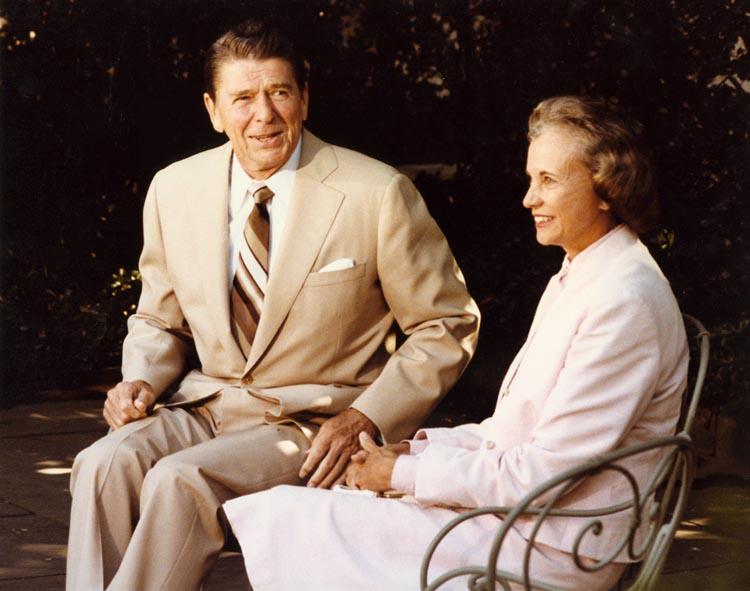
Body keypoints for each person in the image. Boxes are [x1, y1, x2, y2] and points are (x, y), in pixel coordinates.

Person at [65, 18, 480, 591]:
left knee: (179, 481)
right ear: (213, 110)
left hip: (312, 425)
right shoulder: (173, 188)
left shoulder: (376, 193)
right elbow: (161, 319)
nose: (264, 114)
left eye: (279, 92)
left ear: (304, 99)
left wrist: (368, 416)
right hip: (205, 407)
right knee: (101, 463)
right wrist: (139, 379)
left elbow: (446, 324)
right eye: (242, 98)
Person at [223, 95, 689, 591]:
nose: (529, 199)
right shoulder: (588, 273)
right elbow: (512, 434)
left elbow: (541, 474)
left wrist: (400, 475)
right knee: (307, 508)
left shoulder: (623, 300)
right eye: (531, 180)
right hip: (522, 523)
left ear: (605, 189)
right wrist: (410, 451)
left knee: (291, 515)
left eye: (548, 181)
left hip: (547, 549)